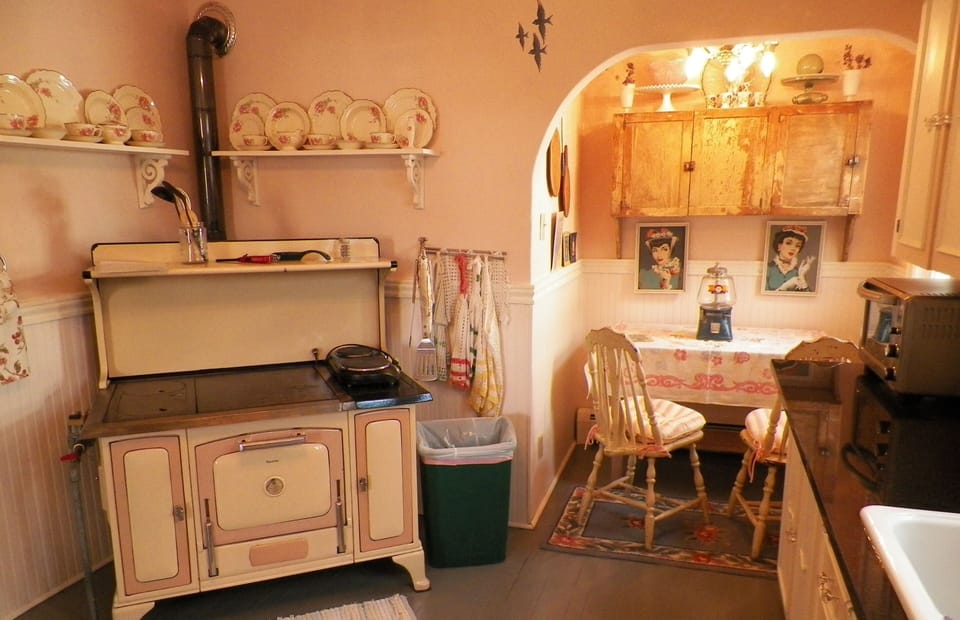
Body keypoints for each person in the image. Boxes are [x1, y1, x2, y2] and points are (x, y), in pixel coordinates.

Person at [766, 224, 815, 292]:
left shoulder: (798, 272)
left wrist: (802, 277)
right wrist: (785, 287)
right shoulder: (768, 268)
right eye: (788, 243)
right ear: (779, 246)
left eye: (797, 246)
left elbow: (808, 298)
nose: (793, 248)